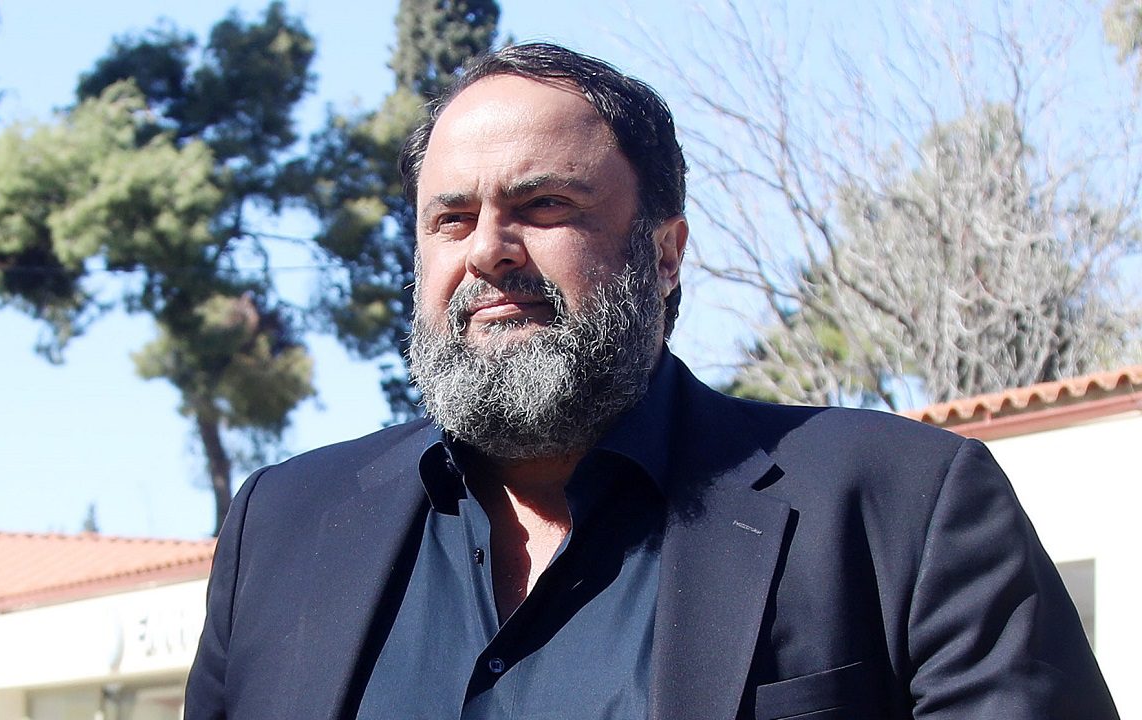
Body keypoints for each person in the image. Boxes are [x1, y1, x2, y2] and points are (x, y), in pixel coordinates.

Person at [183, 43, 1118, 720]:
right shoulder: (280, 531)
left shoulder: (902, 506)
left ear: (665, 254)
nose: (489, 251)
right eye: (451, 219)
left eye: (544, 205)